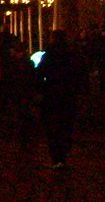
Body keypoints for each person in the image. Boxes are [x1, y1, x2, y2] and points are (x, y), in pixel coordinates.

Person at [37, 28, 86, 169]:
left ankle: (56, 156)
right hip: (68, 94)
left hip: (52, 93)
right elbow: (80, 73)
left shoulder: (49, 55)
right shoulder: (73, 55)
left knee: (53, 126)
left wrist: (40, 89)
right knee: (66, 125)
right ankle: (63, 154)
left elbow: (40, 73)